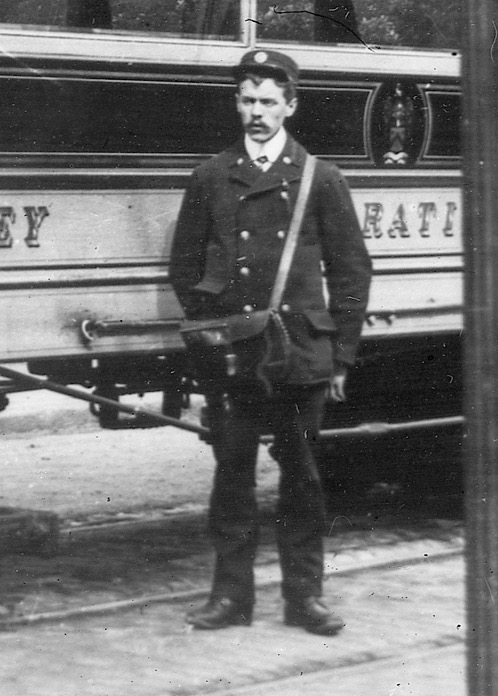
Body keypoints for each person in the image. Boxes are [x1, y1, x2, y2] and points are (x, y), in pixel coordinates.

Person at [169, 49, 371, 635]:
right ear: (236, 103)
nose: (256, 112)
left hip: (301, 353)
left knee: (302, 478)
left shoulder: (320, 178)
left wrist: (343, 353)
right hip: (234, 357)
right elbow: (183, 267)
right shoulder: (210, 176)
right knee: (231, 477)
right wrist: (213, 327)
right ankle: (231, 599)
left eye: (267, 101)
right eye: (247, 100)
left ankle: (304, 599)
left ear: (290, 105)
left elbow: (352, 272)